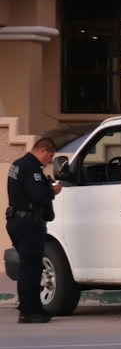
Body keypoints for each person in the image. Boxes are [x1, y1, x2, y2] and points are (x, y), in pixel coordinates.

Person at [7, 137, 61, 324]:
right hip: (28, 224)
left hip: (18, 221)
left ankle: (34, 307)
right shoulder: (31, 168)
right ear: (43, 150)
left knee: (32, 267)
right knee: (30, 269)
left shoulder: (18, 164)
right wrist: (54, 190)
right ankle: (28, 311)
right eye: (51, 156)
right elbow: (39, 195)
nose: (50, 161)